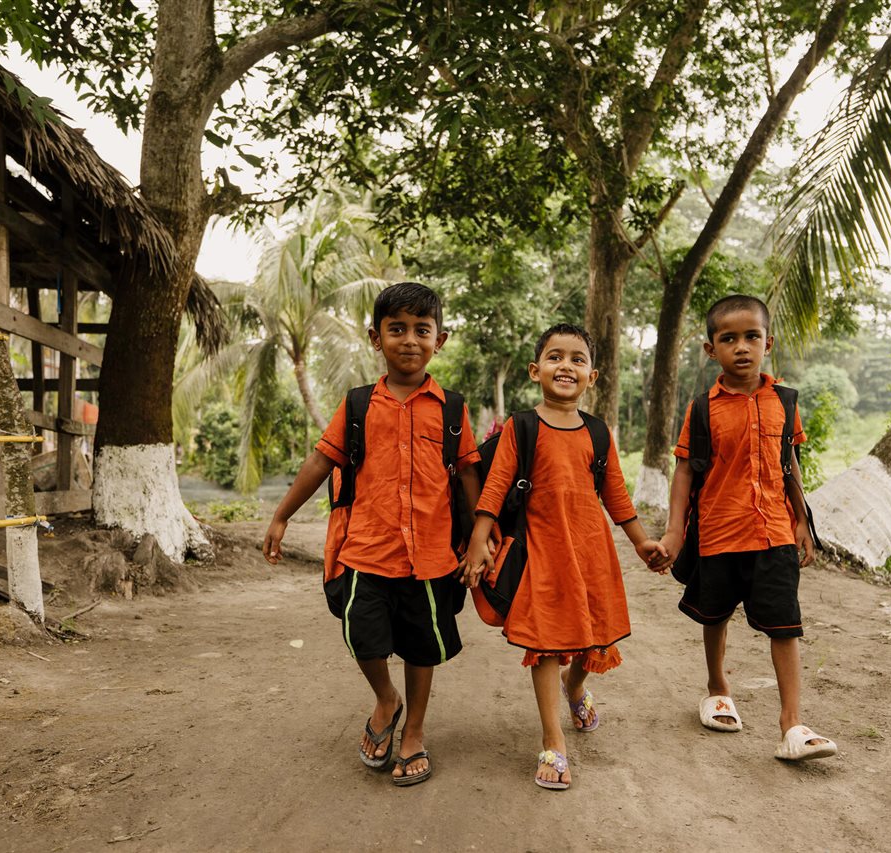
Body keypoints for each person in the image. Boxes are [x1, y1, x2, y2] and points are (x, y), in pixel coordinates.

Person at [263, 282, 481, 787]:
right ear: (375, 338)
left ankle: (415, 734)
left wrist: (478, 538)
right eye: (396, 329)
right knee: (362, 635)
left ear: (440, 339)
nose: (409, 340)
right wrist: (282, 515)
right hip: (366, 549)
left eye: (421, 330)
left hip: (431, 554)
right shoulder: (359, 405)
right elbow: (322, 460)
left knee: (423, 648)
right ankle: (387, 698)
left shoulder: (451, 409)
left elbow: (469, 472)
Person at [462, 323, 666, 790]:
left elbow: (614, 492)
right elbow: (494, 487)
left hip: (590, 549)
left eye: (578, 359)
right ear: (536, 370)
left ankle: (575, 687)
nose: (566, 366)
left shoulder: (597, 432)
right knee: (548, 641)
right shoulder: (522, 426)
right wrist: (479, 537)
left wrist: (640, 541)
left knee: (591, 633)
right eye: (555, 357)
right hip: (542, 551)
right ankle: (554, 740)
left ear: (593, 377)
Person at [656, 294, 837, 761]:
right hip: (718, 532)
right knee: (714, 616)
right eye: (728, 338)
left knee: (785, 624)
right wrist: (675, 532)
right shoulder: (701, 410)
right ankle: (718, 688)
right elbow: (684, 473)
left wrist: (801, 520)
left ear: (768, 342)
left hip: (774, 531)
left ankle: (792, 724)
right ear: (710, 349)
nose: (741, 347)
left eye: (751, 336)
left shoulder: (784, 402)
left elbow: (788, 463)